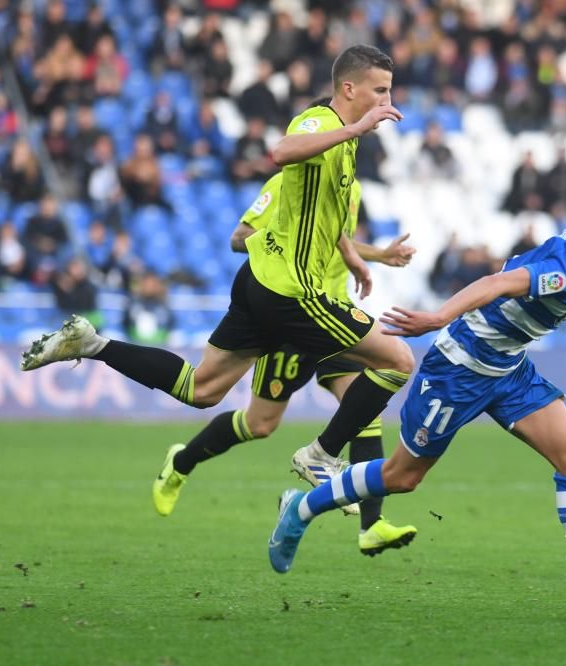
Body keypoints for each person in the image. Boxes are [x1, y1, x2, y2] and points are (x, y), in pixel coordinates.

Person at [20, 45, 415, 496]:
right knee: (398, 361)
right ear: (349, 88)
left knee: (202, 389)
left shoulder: (347, 139)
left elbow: (318, 209)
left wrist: (354, 254)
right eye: (379, 91)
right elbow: (282, 151)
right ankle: (321, 455)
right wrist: (357, 128)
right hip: (293, 291)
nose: (387, 102)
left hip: (261, 281)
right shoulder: (323, 122)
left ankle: (93, 344)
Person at [268, 200, 566, 618]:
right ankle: (301, 507)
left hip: (509, 370)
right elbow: (496, 284)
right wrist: (438, 317)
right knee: (402, 477)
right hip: (460, 370)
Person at [155, 168, 418, 556]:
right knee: (259, 423)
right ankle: (182, 460)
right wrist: (283, 247)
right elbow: (238, 239)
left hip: (332, 311)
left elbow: (333, 238)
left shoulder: (350, 187)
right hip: (293, 316)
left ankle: (371, 524)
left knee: (367, 405)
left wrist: (378, 254)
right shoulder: (286, 183)